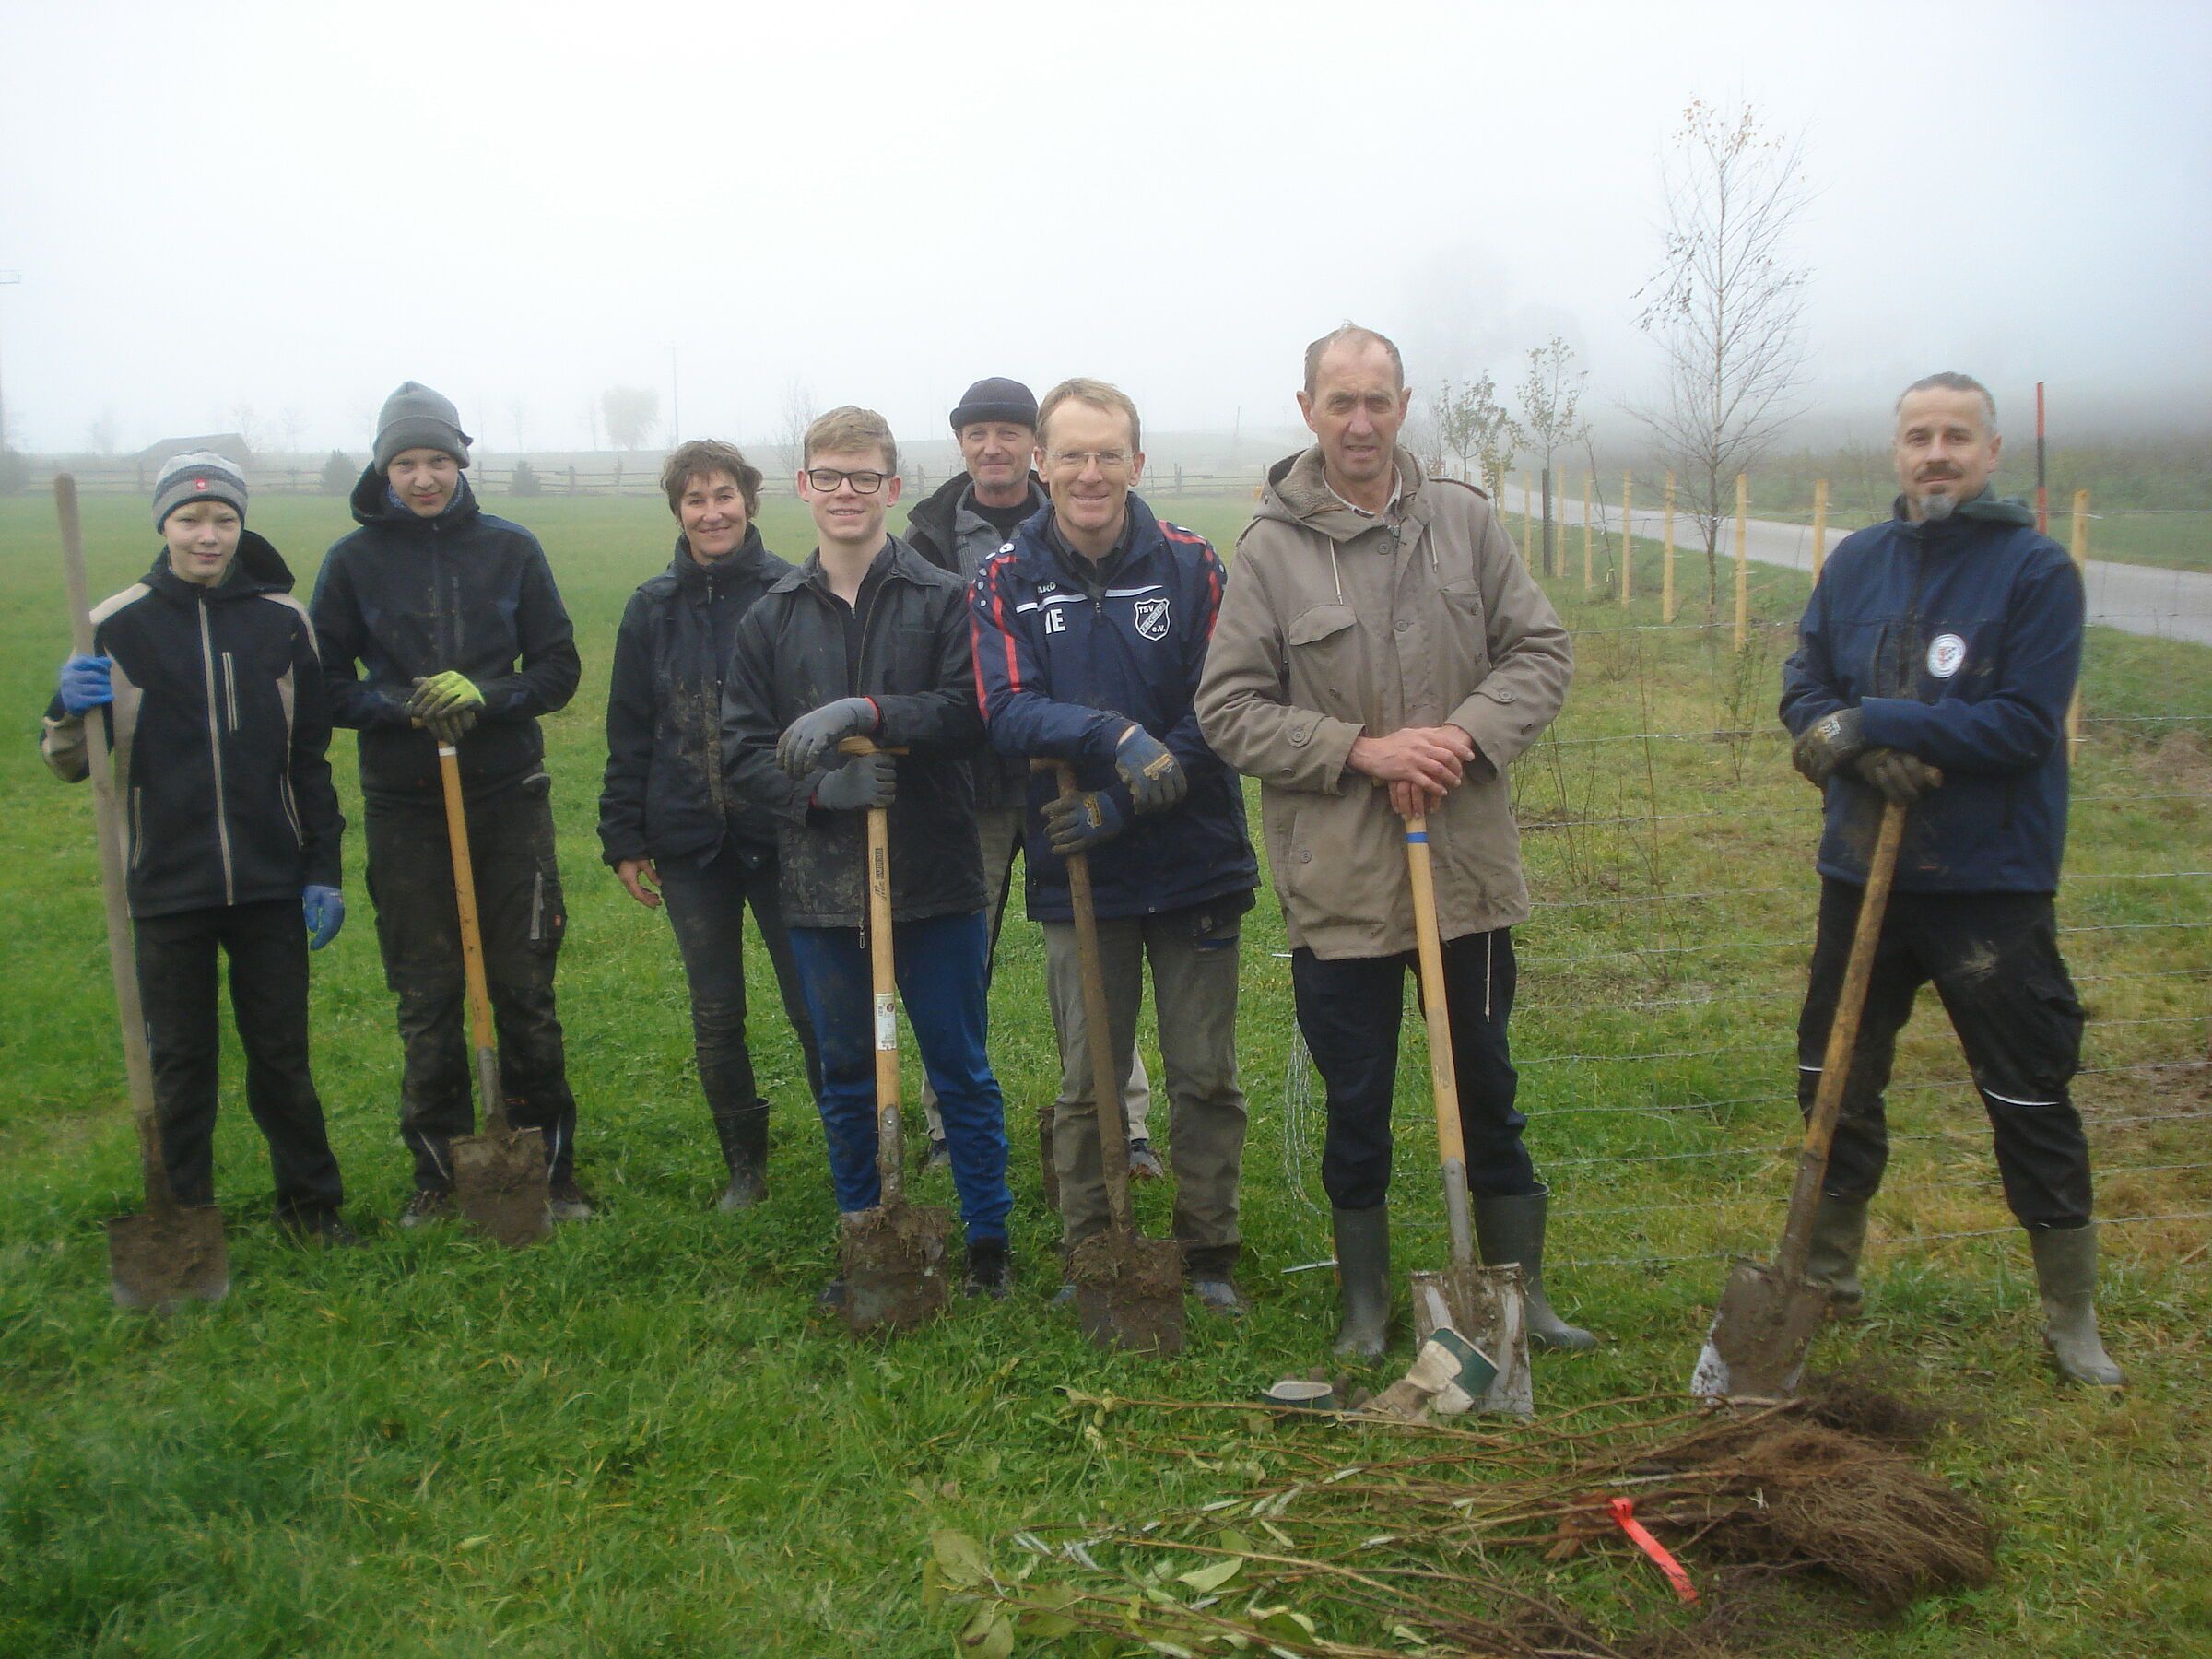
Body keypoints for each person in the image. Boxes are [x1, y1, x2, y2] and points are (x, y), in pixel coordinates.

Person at [1196, 324, 1587, 1359]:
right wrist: (1363, 752)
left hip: (1464, 872)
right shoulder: (1272, 551)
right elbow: (1228, 710)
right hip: (1345, 885)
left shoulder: (1461, 523)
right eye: (1341, 402)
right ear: (1308, 411)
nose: (1360, 421)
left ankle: (1520, 1295)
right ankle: (1365, 1309)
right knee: (1357, 1098)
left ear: (1404, 405)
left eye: (1378, 400)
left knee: (1489, 1084)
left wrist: (1462, 735)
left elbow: (1540, 651)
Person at [1780, 371, 2121, 1388]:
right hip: (1862, 872)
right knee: (1833, 1078)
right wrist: (1844, 748)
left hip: (1990, 884)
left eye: (1956, 437)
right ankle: (1829, 1276)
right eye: (1919, 436)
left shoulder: (2035, 573)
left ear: (1991, 453)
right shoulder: (1858, 563)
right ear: (1896, 450)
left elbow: (2021, 724)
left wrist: (1875, 724)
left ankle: (2072, 1317)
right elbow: (1806, 686)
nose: (1936, 453)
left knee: (2026, 1090)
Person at [972, 378, 1257, 1315]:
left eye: (1109, 455)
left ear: (1138, 464)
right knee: (1090, 1074)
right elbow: (1008, 710)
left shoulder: (1190, 565)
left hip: (1193, 859)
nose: (1090, 473)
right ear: (1042, 465)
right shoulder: (1006, 578)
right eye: (1072, 455)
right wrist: (1113, 739)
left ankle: (1208, 1249)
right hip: (1078, 876)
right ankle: (1094, 1249)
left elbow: (1219, 709)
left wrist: (1123, 804)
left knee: (1204, 1070)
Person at [722, 406, 1015, 1299]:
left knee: (959, 1067)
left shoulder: (940, 597)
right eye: (828, 476)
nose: (845, 493)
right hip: (820, 890)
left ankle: (989, 1246)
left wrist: (873, 716)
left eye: (864, 478)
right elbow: (738, 752)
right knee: (847, 1070)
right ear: (804, 487)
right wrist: (817, 791)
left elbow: (972, 714)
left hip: (933, 877)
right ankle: (865, 1228)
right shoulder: (768, 619)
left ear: (891, 488)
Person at [43, 452, 353, 1241]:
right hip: (163, 885)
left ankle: (311, 1209)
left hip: (270, 882)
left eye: (223, 520)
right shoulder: (115, 624)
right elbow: (72, 762)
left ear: (241, 525)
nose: (207, 536)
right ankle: (183, 1216)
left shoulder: (283, 622)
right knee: (179, 1066)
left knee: (282, 1059)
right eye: (190, 520)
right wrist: (64, 709)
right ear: (164, 525)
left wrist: (321, 869)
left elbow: (310, 760)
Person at [309, 382, 590, 1224]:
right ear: (383, 469)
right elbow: (323, 685)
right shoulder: (352, 563)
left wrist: (490, 694)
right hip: (407, 808)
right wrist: (398, 705)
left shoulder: (511, 550)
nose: (423, 478)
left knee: (524, 991)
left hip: (507, 799)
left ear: (461, 465)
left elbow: (558, 668)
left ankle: (549, 1170)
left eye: (437, 461)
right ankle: (436, 1177)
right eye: (406, 463)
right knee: (427, 998)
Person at [903, 377, 1160, 1180]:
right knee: (958, 959)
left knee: (1094, 953)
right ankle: (951, 1123)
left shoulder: (1077, 524)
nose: (993, 448)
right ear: (961, 444)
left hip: (1067, 780)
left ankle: (1128, 1123)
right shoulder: (926, 540)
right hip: (966, 789)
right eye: (977, 434)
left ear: (1035, 451)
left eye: (1008, 434)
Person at [599, 440, 822, 1212]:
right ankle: (745, 1170)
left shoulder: (792, 593)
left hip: (784, 833)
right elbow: (629, 729)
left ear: (749, 501)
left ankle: (850, 1149)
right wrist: (623, 838)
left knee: (812, 1005)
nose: (712, 512)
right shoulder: (650, 607)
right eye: (695, 500)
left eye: (724, 495)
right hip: (689, 841)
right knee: (717, 1011)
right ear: (677, 510)